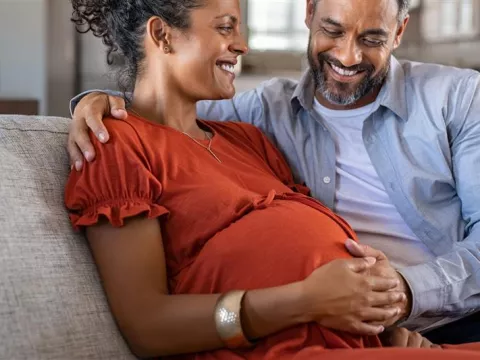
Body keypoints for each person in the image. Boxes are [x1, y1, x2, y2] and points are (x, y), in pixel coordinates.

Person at [68, 0, 480, 345]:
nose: (348, 56)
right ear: (308, 14)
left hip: (448, 316)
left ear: (400, 30)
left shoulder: (457, 98)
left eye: (372, 39)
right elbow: (156, 110)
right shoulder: (263, 112)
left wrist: (400, 296)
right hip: (338, 331)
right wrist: (95, 102)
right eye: (332, 30)